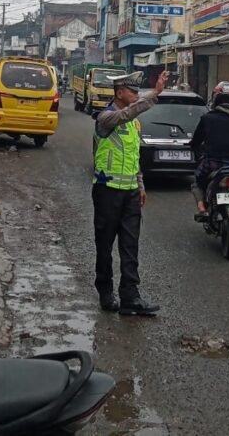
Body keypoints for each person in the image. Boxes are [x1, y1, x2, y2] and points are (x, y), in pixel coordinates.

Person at [92, 70, 169, 316]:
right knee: (104, 246)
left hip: (131, 193)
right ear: (119, 93)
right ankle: (105, 292)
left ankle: (130, 297)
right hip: (107, 192)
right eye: (133, 91)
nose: (136, 95)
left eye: (138, 91)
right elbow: (126, 113)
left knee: (130, 246)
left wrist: (141, 185)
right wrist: (154, 94)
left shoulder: (135, 124)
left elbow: (134, 156)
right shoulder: (105, 118)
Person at [190, 82, 229, 218]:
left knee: (197, 182)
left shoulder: (207, 118)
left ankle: (202, 208)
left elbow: (196, 141)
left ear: (216, 99)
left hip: (212, 164)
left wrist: (195, 149)